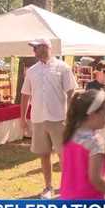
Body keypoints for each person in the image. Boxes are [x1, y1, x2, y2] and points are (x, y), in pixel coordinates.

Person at [20, 38, 77, 199]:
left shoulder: (63, 68)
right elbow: (25, 95)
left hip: (59, 118)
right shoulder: (31, 71)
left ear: (46, 47)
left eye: (35, 48)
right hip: (38, 119)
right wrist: (22, 118)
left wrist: (73, 116)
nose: (33, 51)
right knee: (44, 154)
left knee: (63, 154)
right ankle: (48, 187)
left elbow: (71, 93)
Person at [86, 61, 105, 142]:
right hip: (92, 119)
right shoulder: (90, 85)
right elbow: (87, 102)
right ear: (98, 71)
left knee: (103, 146)